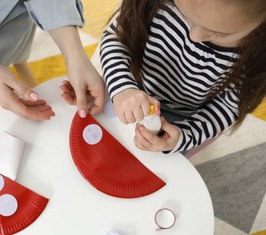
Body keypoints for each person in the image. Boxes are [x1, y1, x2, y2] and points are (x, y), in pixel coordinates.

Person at [100, 0, 266, 153]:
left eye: (219, 34)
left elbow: (228, 107)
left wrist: (183, 136)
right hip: (126, 83)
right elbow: (116, 39)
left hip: (185, 118)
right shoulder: (157, 4)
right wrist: (123, 88)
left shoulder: (255, 58)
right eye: (184, 15)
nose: (194, 37)